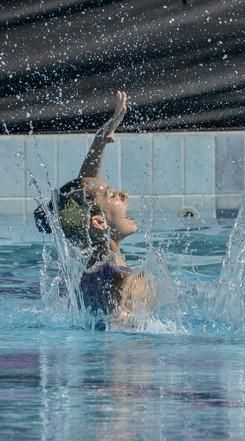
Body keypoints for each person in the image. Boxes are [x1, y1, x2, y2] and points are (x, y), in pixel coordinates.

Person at [34, 91, 155, 328]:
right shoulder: (125, 278)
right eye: (112, 195)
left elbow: (85, 193)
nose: (124, 194)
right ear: (99, 223)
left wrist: (100, 141)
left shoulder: (90, 272)